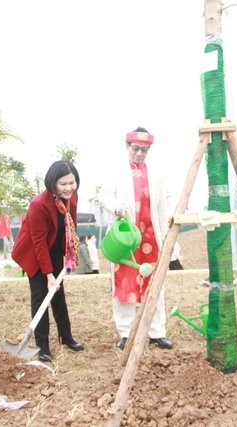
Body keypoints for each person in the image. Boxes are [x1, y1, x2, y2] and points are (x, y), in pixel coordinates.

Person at [99, 126, 173, 350]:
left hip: (151, 237)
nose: (139, 154)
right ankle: (125, 332)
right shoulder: (116, 171)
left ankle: (157, 331)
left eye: (144, 150)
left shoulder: (157, 173)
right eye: (135, 149)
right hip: (126, 238)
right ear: (127, 146)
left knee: (155, 284)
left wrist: (168, 238)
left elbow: (162, 208)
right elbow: (103, 195)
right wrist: (116, 206)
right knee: (124, 282)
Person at [11, 160, 85, 362]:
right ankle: (42, 346)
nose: (69, 187)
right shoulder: (38, 205)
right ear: (53, 183)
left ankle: (66, 337)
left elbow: (72, 224)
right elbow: (38, 243)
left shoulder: (71, 197)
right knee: (41, 296)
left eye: (72, 183)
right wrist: (49, 275)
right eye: (63, 184)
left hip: (53, 247)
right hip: (33, 253)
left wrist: (70, 253)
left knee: (58, 295)